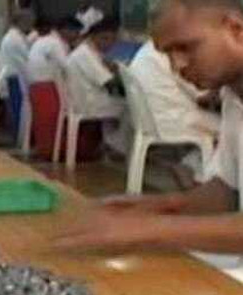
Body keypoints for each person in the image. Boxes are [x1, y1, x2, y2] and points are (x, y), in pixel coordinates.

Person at [55, 0, 243, 254]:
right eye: (168, 54)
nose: (177, 65)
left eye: (186, 47)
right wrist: (163, 205)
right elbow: (228, 191)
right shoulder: (233, 96)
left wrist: (151, 229)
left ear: (236, 30)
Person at [130, 38, 221, 187]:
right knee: (231, 128)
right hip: (174, 119)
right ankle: (193, 170)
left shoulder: (148, 51)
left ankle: (189, 165)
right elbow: (202, 96)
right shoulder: (172, 53)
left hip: (153, 118)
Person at [27, 17, 83, 159]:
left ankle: (46, 150)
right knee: (52, 120)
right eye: (76, 32)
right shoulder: (56, 44)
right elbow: (68, 67)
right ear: (65, 30)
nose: (77, 36)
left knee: (44, 122)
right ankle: (51, 151)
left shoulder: (47, 40)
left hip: (37, 86)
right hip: (45, 86)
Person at [65, 18, 125, 146]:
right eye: (105, 38)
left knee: (124, 104)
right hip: (87, 104)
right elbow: (109, 82)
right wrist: (120, 73)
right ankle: (118, 146)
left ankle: (113, 143)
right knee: (131, 108)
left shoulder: (89, 52)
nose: (109, 43)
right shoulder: (86, 54)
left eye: (113, 40)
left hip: (86, 99)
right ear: (93, 37)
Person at [0, 9, 36, 81]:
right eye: (29, 22)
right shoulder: (15, 38)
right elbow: (28, 58)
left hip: (9, 75)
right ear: (22, 22)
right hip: (13, 77)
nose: (31, 26)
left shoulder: (13, 35)